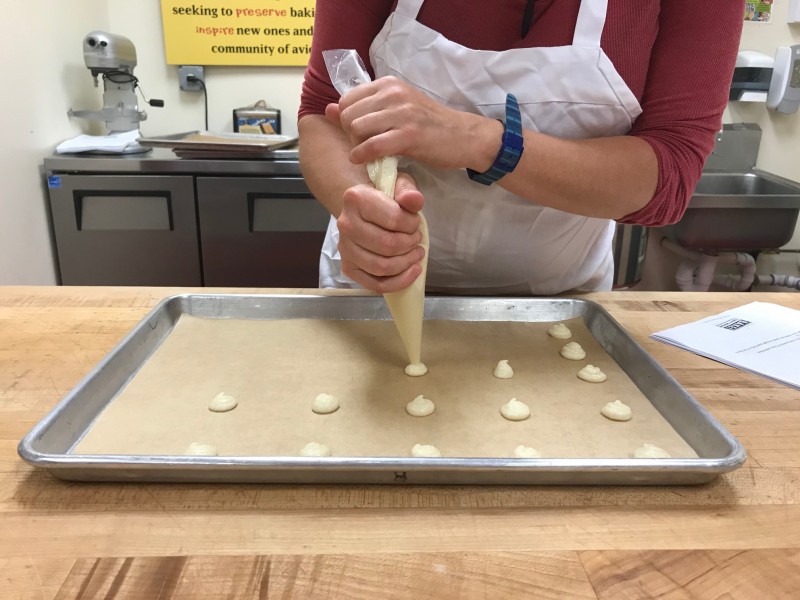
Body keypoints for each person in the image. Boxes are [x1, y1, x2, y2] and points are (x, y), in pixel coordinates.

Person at [298, 1, 743, 295]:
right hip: (375, 289)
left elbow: (668, 176)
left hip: (559, 302)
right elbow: (323, 110)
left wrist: (483, 142)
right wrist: (361, 205)